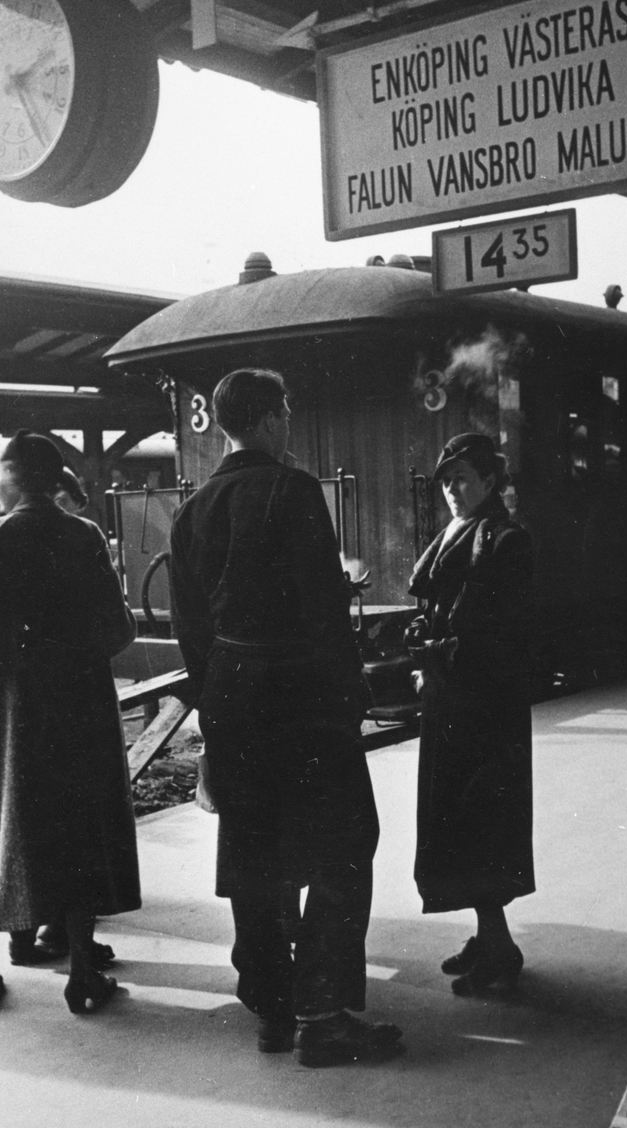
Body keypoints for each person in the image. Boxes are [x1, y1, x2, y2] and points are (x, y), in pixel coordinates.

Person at [170, 368, 402, 1067]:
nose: (290, 424)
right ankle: (322, 1014)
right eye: (287, 413)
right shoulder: (294, 490)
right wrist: (350, 695)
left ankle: (272, 1006)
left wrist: (215, 704)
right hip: (300, 694)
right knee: (344, 841)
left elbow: (189, 629)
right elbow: (322, 611)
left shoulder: (192, 509)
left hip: (230, 694)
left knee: (255, 849)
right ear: (270, 418)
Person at [0, 430, 140, 1013]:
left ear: (9, 478)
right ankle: (82, 973)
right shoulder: (85, 535)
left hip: (13, 710)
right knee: (78, 826)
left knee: (5, 826)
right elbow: (119, 631)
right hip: (82, 704)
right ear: (55, 480)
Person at [406, 433, 535, 995]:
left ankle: (500, 947)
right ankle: (487, 938)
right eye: (446, 481)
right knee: (457, 823)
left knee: (480, 821)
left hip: (485, 710)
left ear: (488, 481)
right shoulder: (459, 533)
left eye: (461, 478)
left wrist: (435, 654)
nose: (451, 489)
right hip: (454, 702)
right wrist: (427, 641)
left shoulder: (507, 542)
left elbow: (501, 637)